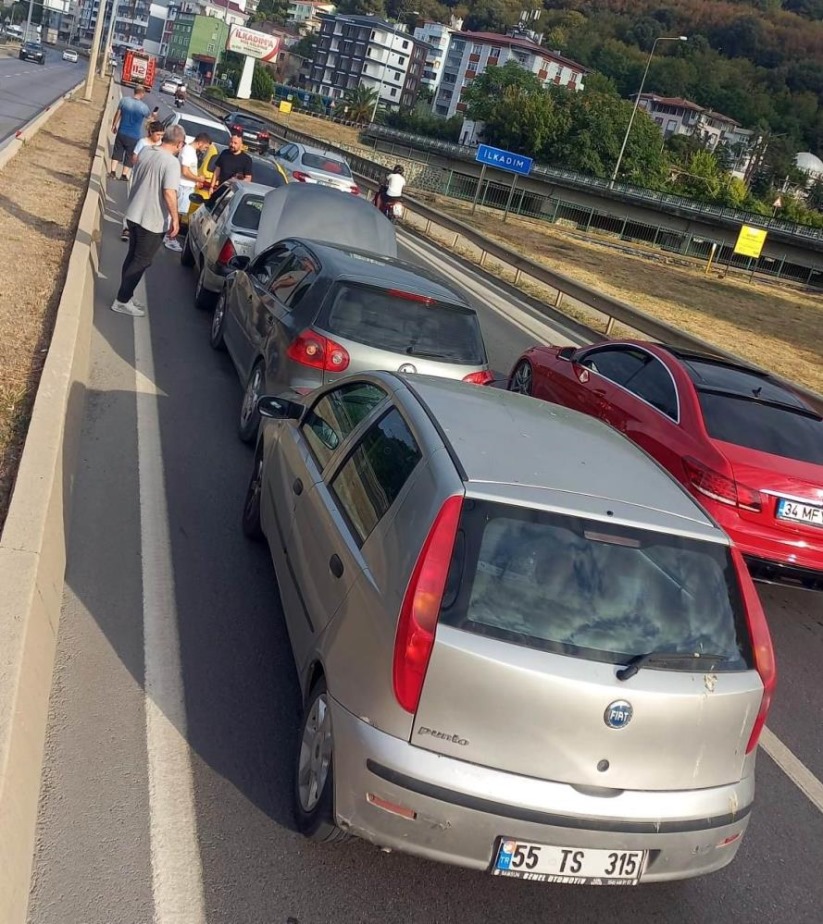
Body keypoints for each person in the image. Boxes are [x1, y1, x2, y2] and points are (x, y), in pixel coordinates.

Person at [111, 125, 184, 318]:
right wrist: (175, 219)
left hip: (134, 213)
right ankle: (122, 300)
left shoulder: (146, 151)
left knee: (132, 257)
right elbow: (169, 192)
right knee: (141, 261)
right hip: (151, 220)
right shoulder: (171, 163)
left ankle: (126, 294)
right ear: (179, 143)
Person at [164, 131, 211, 252]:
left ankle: (169, 235)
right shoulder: (188, 151)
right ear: (200, 143)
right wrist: (198, 178)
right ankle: (171, 237)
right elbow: (185, 171)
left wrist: (195, 181)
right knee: (177, 213)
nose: (205, 150)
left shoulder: (190, 152)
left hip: (187, 185)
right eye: (205, 147)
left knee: (176, 212)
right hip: (184, 187)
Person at [121, 120, 165, 242]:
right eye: (158, 134)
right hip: (138, 175)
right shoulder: (143, 142)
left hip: (152, 179)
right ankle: (126, 228)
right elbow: (134, 158)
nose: (159, 137)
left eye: (162, 135)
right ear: (151, 132)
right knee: (133, 201)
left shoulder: (161, 144)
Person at [110, 86, 160, 182]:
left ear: (135, 92)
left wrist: (114, 125)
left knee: (117, 151)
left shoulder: (124, 101)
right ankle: (124, 175)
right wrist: (154, 116)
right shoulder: (144, 107)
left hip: (122, 132)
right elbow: (150, 120)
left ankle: (112, 172)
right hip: (134, 136)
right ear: (141, 94)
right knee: (129, 155)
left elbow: (118, 113)